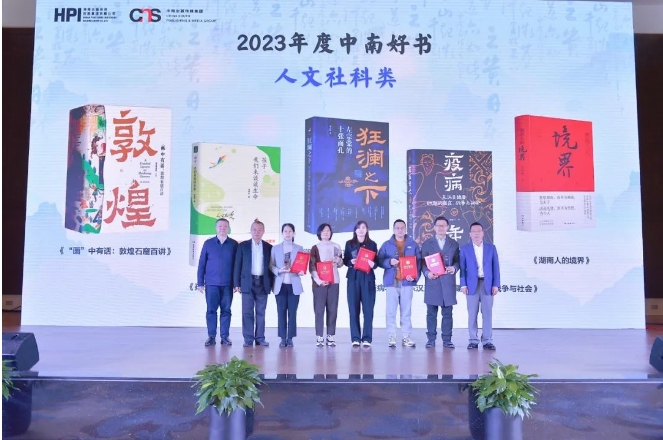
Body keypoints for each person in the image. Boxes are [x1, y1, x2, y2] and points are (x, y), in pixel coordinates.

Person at [377, 219, 421, 348]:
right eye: (397, 228)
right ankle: (392, 336)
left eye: (402, 228)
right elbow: (379, 260)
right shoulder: (387, 244)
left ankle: (406, 336)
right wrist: (389, 262)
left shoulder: (413, 244)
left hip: (407, 282)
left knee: (406, 311)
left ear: (406, 229)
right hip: (392, 281)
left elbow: (418, 263)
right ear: (393, 229)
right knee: (391, 311)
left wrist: (414, 277)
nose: (400, 230)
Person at [197, 218, 238, 346]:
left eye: (225, 226)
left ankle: (225, 336)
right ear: (216, 228)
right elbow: (202, 264)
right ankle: (211, 336)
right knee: (211, 311)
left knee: (226, 311)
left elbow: (237, 266)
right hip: (211, 284)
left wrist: (236, 283)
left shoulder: (234, 244)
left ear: (228, 228)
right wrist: (200, 282)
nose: (222, 228)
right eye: (220, 226)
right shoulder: (208, 243)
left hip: (227, 284)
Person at [420, 216, 460, 349]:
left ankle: (447, 340)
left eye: (444, 225)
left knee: (447, 314)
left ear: (448, 227)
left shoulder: (454, 244)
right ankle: (431, 339)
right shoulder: (427, 243)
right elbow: (422, 263)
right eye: (438, 225)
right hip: (433, 282)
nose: (441, 228)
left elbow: (458, 261)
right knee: (431, 314)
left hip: (448, 282)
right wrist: (427, 273)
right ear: (434, 227)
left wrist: (454, 268)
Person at [460, 222, 500, 350]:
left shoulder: (491, 248)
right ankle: (473, 340)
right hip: (471, 285)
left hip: (487, 284)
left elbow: (496, 267)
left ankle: (487, 340)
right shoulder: (464, 249)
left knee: (487, 313)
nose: (476, 233)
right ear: (470, 234)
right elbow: (462, 268)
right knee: (472, 313)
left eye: (479, 231)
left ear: (483, 233)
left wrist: (496, 284)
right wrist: (463, 284)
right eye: (474, 231)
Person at [234, 220, 273, 347]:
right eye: (254, 229)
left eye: (259, 230)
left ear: (263, 231)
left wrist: (272, 284)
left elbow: (271, 267)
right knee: (247, 312)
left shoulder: (269, 247)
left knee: (261, 312)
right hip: (247, 282)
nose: (257, 232)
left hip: (263, 282)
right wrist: (236, 283)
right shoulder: (243, 246)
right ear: (250, 231)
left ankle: (260, 338)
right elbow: (237, 265)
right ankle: (248, 338)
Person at [343, 220, 379, 347]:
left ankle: (367, 338)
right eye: (358, 228)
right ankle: (355, 338)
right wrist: (350, 262)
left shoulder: (372, 244)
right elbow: (345, 260)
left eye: (364, 227)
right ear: (355, 230)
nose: (361, 230)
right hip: (353, 278)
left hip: (367, 278)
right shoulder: (349, 244)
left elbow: (377, 262)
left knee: (368, 310)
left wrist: (373, 264)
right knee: (353, 309)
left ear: (367, 229)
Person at [270, 223, 306, 348]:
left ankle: (290, 338)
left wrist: (301, 271)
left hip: (294, 284)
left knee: (292, 312)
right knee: (281, 312)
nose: (288, 233)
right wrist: (278, 270)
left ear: (294, 233)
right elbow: (271, 265)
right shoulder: (275, 248)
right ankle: (282, 338)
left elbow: (302, 265)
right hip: (280, 285)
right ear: (282, 233)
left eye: (290, 231)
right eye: (285, 231)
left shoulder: (299, 248)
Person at [309, 223, 343, 347]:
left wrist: (339, 260)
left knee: (332, 309)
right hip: (319, 283)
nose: (326, 232)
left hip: (334, 281)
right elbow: (312, 266)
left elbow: (340, 264)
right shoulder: (315, 248)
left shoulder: (336, 246)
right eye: (323, 231)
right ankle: (319, 336)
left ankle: (330, 335)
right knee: (319, 310)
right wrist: (318, 281)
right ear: (319, 233)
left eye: (328, 230)